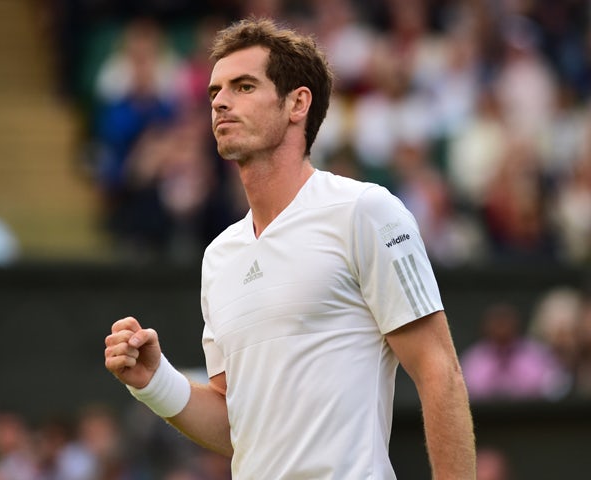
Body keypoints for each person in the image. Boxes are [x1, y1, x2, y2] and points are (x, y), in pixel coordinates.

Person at [105, 17, 476, 479]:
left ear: (298, 103)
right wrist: (154, 382)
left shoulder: (364, 210)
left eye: (243, 86)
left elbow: (440, 373)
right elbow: (235, 424)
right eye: (215, 91)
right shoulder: (219, 256)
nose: (220, 101)